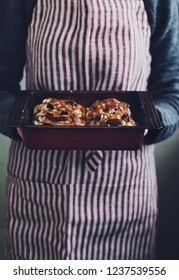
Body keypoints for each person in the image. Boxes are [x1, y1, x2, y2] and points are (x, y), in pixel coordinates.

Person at [0, 0, 179, 260]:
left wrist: (145, 124)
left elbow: (171, 92)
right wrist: (23, 125)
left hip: (124, 193)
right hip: (40, 193)